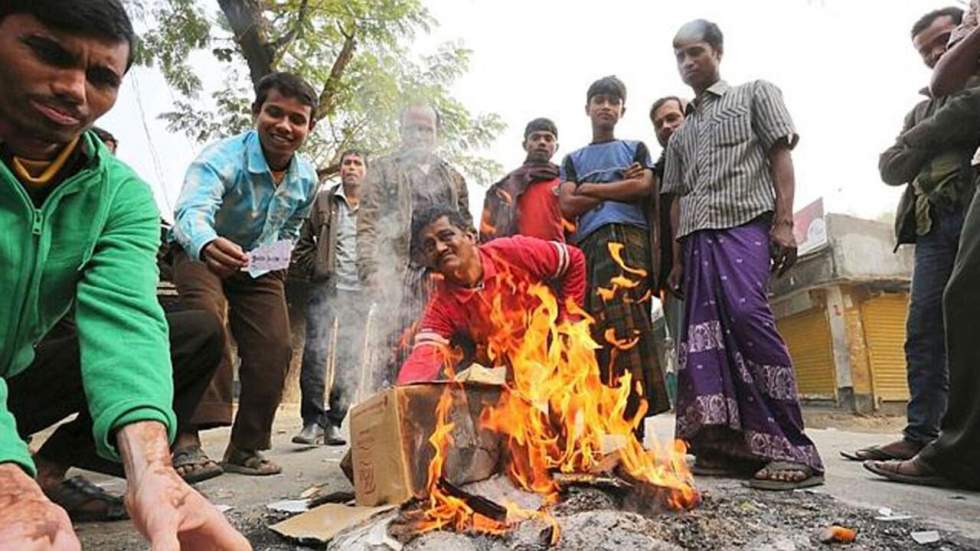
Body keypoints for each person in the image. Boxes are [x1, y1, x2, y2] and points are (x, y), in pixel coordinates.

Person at [0, 1, 248, 548]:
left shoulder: (120, 195)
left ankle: (48, 466)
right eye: (47, 53)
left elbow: (125, 322)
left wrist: (153, 469)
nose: (74, 89)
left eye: (101, 77)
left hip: (17, 376)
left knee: (195, 330)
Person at [662, 19, 824, 489]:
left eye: (696, 52)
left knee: (748, 316)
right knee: (702, 339)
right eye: (680, 56)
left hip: (744, 225)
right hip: (694, 240)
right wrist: (675, 259)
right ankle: (726, 446)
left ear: (717, 51)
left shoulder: (755, 93)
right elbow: (675, 197)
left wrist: (784, 222)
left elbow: (780, 156)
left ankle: (794, 450)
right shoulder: (680, 133)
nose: (688, 62)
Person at [843, 7, 976, 463]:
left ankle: (959, 442)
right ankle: (922, 435)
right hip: (931, 226)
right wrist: (932, 130)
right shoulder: (921, 106)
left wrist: (919, 138)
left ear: (964, 33)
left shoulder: (972, 79)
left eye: (944, 40)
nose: (936, 53)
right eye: (925, 51)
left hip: (970, 211)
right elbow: (889, 167)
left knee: (968, 326)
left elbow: (970, 108)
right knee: (923, 332)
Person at [171, 71, 320, 476]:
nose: (284, 126)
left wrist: (274, 258)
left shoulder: (307, 178)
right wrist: (206, 243)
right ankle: (186, 441)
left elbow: (292, 226)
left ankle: (245, 447)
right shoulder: (221, 157)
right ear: (257, 112)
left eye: (297, 119)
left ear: (309, 127)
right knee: (204, 324)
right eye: (275, 113)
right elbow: (190, 213)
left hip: (259, 265)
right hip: (202, 251)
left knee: (275, 346)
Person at [558, 76, 669, 436]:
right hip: (589, 247)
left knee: (632, 328)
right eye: (599, 100)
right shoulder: (572, 159)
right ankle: (604, 430)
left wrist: (591, 188)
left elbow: (643, 186)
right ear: (587, 108)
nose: (606, 106)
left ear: (622, 109)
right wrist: (618, 188)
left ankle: (634, 433)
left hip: (631, 242)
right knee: (598, 332)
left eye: (613, 101)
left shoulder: (635, 148)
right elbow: (567, 204)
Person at [397, 206, 585, 383]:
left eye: (446, 236)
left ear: (471, 237)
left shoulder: (515, 252)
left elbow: (574, 259)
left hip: (558, 353)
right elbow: (423, 357)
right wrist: (399, 398)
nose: (439, 248)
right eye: (430, 246)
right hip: (509, 375)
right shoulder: (441, 305)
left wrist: (568, 325)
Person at [357, 103, 472, 385]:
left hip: (445, 276)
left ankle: (443, 424)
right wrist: (371, 271)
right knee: (395, 351)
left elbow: (467, 227)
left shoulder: (453, 177)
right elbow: (368, 223)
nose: (419, 135)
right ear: (401, 131)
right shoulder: (383, 170)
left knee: (450, 350)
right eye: (413, 129)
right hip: (399, 272)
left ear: (436, 133)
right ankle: (391, 420)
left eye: (426, 129)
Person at [292, 150, 368, 447]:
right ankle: (311, 422)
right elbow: (302, 245)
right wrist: (319, 269)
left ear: (366, 172)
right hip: (326, 288)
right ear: (341, 169)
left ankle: (335, 422)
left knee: (350, 357)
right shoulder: (323, 199)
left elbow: (383, 245)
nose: (351, 168)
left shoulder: (374, 207)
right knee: (315, 354)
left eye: (357, 163)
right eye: (347, 163)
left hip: (358, 293)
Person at [649, 95, 688, 406]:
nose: (666, 127)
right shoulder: (657, 171)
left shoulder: (707, 153)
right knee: (686, 348)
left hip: (709, 259)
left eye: (673, 118)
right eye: (659, 123)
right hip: (672, 277)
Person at [480, 117, 564, 242]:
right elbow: (487, 233)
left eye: (548, 138)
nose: (542, 142)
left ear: (555, 147)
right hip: (514, 256)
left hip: (558, 256)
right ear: (525, 145)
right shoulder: (504, 187)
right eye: (535, 138)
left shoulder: (566, 182)